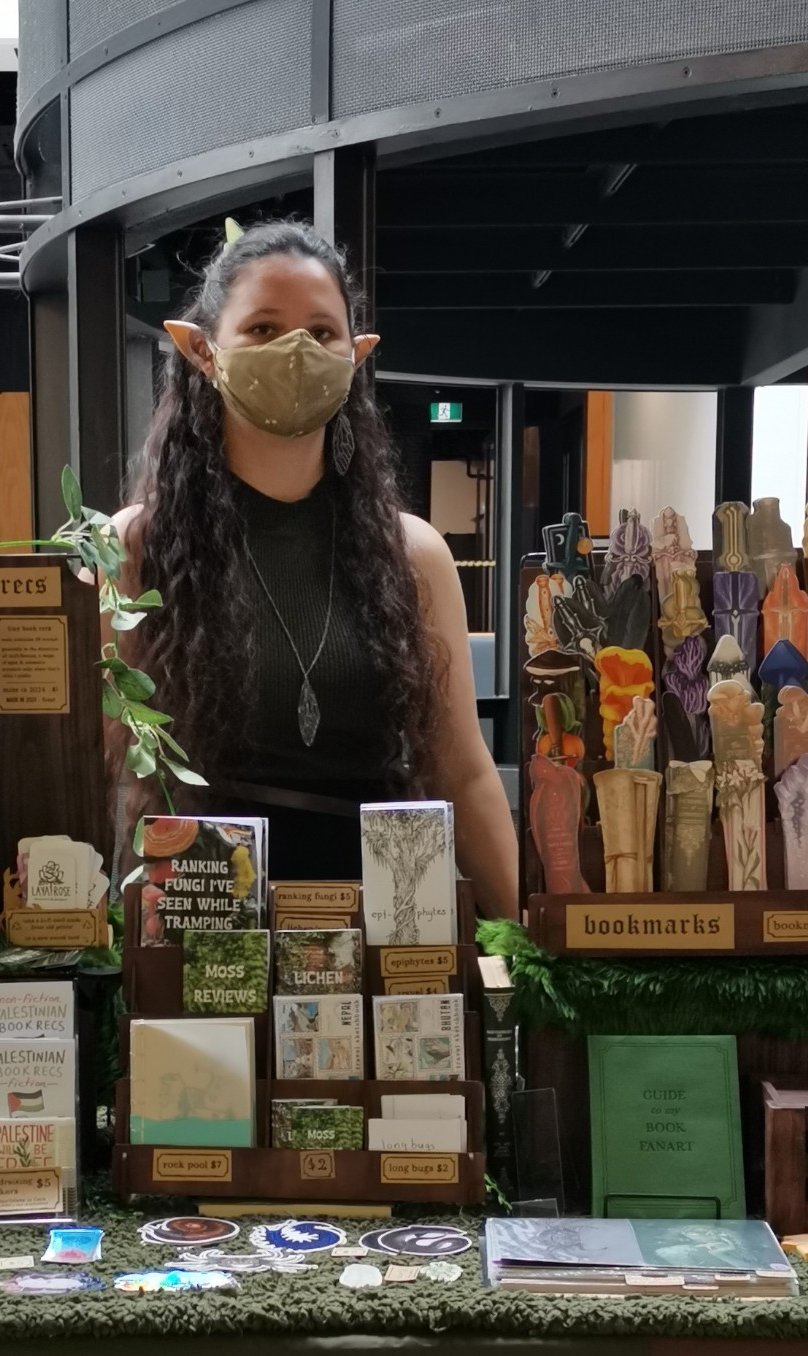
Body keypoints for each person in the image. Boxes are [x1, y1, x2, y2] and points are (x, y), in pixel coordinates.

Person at [108, 220, 518, 915]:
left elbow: (466, 771)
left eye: (322, 333)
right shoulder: (136, 549)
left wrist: (526, 938)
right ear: (202, 350)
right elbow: (105, 767)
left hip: (386, 932)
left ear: (356, 355)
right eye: (263, 329)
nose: (297, 351)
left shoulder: (412, 555)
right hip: (204, 923)